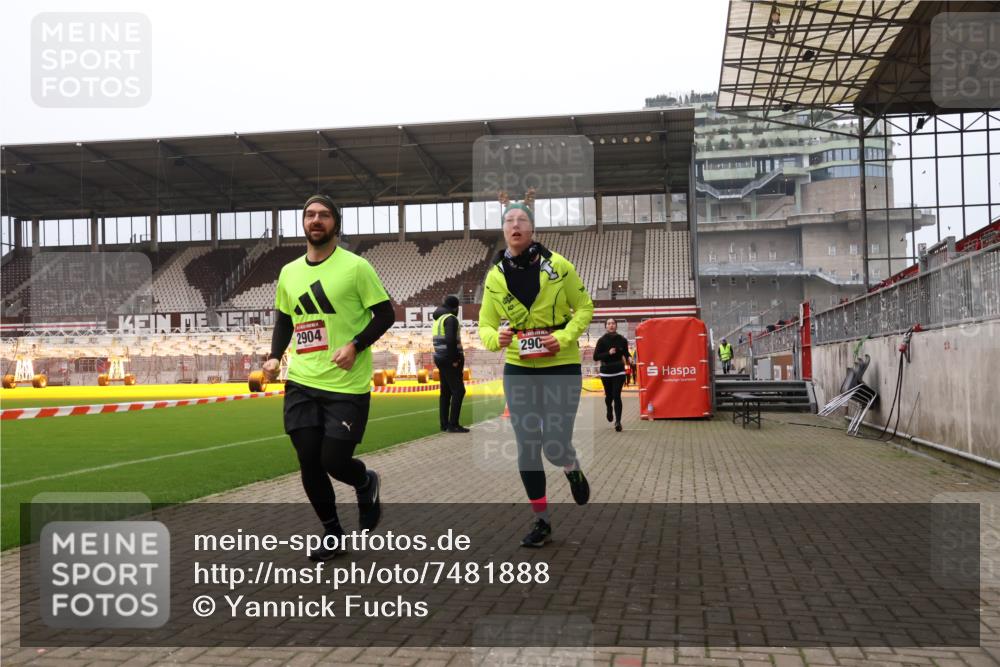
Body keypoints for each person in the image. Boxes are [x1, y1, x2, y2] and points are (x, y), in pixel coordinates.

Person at [264, 194, 395, 562]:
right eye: (309, 215)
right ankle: (332, 533)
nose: (316, 220)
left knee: (334, 460)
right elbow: (286, 319)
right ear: (303, 223)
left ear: (335, 223)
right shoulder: (289, 272)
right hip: (302, 381)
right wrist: (275, 356)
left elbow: (385, 315)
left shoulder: (356, 267)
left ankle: (364, 481)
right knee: (308, 459)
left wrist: (355, 344)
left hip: (345, 384)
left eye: (323, 215)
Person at [479, 190, 594, 548]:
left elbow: (586, 308)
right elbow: (483, 326)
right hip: (519, 368)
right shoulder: (494, 276)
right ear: (503, 230)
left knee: (554, 445)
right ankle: (541, 520)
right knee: (528, 446)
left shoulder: (559, 266)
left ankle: (571, 466)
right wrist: (494, 337)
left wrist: (566, 335)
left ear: (532, 228)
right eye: (509, 221)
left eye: (522, 220)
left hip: (560, 365)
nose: (515, 225)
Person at [432, 294, 469, 433]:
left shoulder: (438, 318)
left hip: (440, 357)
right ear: (455, 307)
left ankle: (444, 424)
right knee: (459, 391)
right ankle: (453, 425)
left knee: (445, 392)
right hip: (449, 359)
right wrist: (455, 359)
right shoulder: (451, 319)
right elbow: (450, 340)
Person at [592, 318, 631, 432]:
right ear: (606, 326)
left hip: (619, 370)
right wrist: (608, 353)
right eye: (609, 324)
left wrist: (629, 358)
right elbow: (596, 357)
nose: (611, 325)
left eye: (613, 323)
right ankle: (609, 408)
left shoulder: (622, 339)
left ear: (616, 326)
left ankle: (618, 422)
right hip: (606, 371)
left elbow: (625, 352)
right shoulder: (602, 340)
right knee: (609, 397)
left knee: (617, 396)